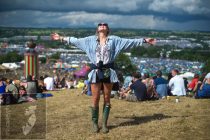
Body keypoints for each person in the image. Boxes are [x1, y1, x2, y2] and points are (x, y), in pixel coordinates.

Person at [51, 22, 156, 133]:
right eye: (100, 24)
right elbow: (75, 40)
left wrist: (144, 40)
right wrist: (60, 38)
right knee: (95, 99)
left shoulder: (115, 40)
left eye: (104, 24)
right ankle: (95, 124)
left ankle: (105, 124)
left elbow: (130, 42)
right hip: (96, 71)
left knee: (107, 98)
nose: (102, 25)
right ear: (97, 29)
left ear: (107, 29)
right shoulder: (89, 40)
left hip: (108, 72)